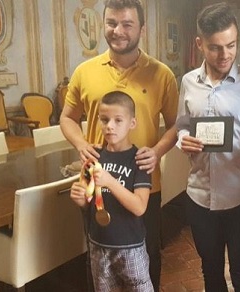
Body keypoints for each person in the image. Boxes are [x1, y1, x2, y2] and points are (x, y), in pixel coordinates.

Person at [60, 0, 178, 290]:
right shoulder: (84, 72)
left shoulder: (162, 74)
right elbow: (67, 118)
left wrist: (158, 150)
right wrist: (80, 144)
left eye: (127, 24)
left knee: (148, 261)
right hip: (97, 187)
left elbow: (177, 125)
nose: (118, 30)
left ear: (141, 28)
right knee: (99, 262)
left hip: (144, 190)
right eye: (112, 23)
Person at [175, 2, 240, 291]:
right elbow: (181, 126)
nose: (225, 55)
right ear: (200, 44)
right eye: (215, 47)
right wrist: (184, 140)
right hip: (199, 196)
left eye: (231, 45)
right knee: (211, 272)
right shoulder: (188, 82)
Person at [70, 91, 153, 292]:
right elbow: (89, 202)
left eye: (118, 120)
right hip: (99, 245)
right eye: (105, 120)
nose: (110, 126)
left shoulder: (139, 159)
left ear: (132, 123)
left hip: (130, 247)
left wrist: (110, 181)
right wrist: (80, 199)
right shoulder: (94, 156)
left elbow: (140, 207)